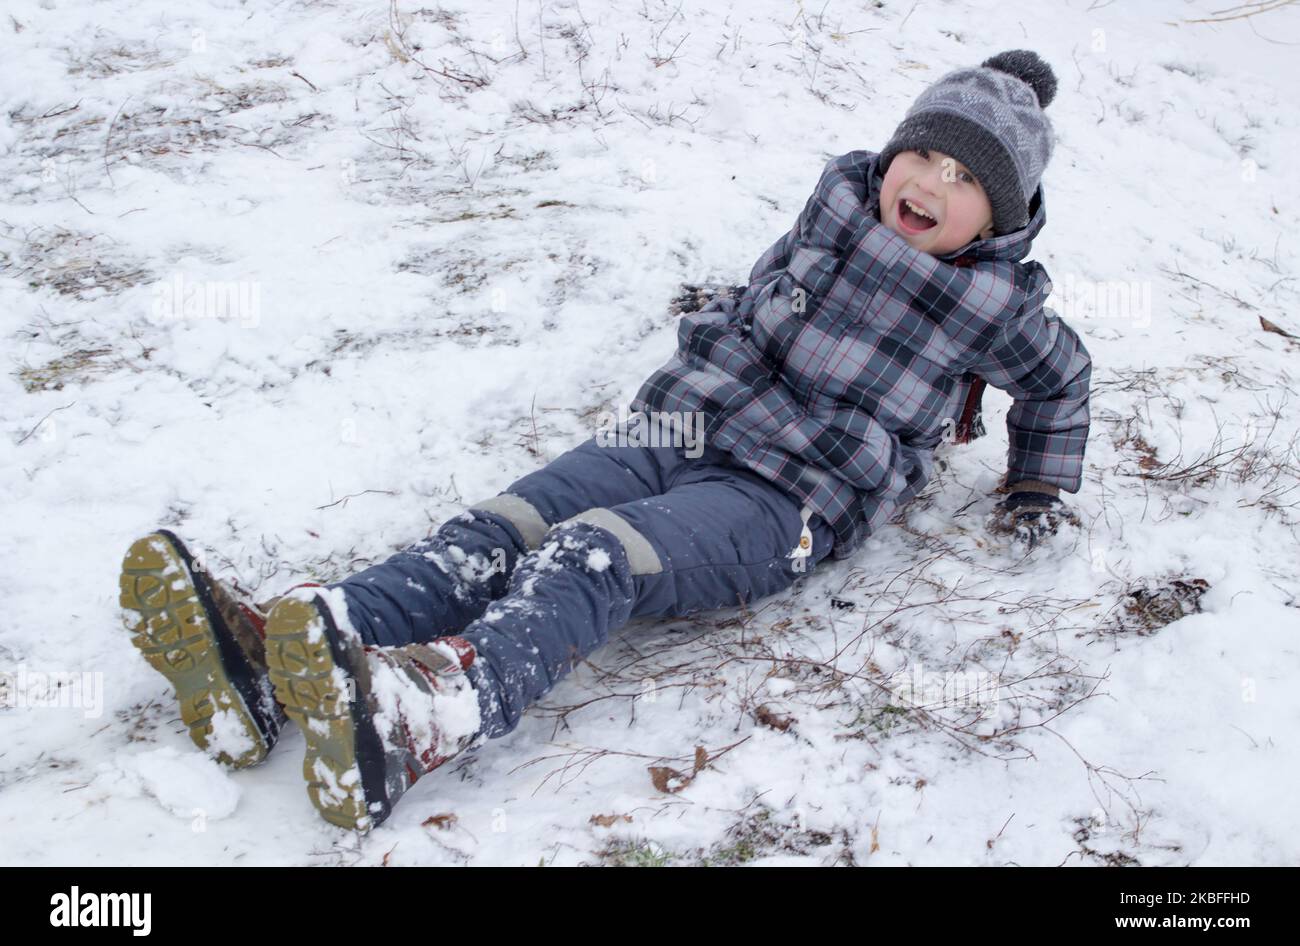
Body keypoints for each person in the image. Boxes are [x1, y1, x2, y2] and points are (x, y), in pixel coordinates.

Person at [118, 49, 1090, 834]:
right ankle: (300, 648)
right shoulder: (840, 200)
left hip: (790, 493)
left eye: (963, 179)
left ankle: (421, 721)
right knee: (514, 517)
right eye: (922, 153)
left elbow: (1061, 380)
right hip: (690, 417)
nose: (927, 182)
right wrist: (729, 311)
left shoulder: (992, 303)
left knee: (590, 553)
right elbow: (776, 286)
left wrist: (1036, 491)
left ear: (997, 221)